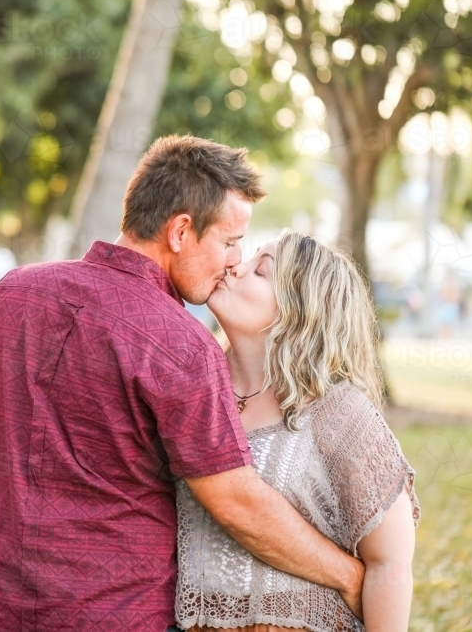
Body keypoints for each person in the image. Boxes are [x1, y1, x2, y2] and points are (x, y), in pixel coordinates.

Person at [0, 136, 365, 631]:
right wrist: (348, 575)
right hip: (120, 616)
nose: (233, 260)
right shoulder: (183, 344)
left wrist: (60, 460)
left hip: (3, 613)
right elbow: (236, 502)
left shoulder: (13, 291)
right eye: (228, 241)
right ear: (180, 231)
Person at [175, 232, 421, 632]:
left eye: (261, 270)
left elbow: (389, 563)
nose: (234, 265)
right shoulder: (193, 390)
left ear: (298, 310)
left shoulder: (336, 411)